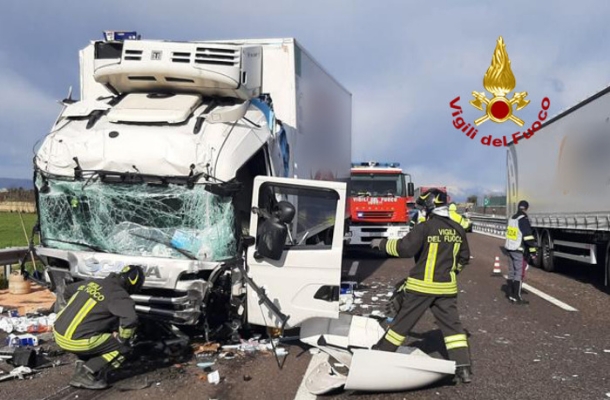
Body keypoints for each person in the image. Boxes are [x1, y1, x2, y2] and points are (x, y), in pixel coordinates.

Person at [370, 188, 473, 384]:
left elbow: (404, 248)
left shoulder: (425, 227)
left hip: (422, 287)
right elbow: (463, 259)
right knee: (453, 329)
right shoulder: (458, 229)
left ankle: (378, 356)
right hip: (446, 289)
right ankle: (463, 368)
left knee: (401, 325)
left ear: (429, 207)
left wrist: (381, 244)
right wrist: (450, 273)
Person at [53, 265, 145, 389]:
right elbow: (130, 320)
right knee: (124, 346)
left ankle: (82, 366)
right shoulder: (119, 295)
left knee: (95, 334)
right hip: (76, 341)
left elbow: (67, 291)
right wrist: (123, 338)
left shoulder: (93, 283)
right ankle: (87, 374)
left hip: (58, 333)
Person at [504, 200, 537, 305]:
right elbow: (528, 237)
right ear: (526, 208)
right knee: (518, 272)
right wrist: (533, 251)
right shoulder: (523, 219)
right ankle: (516, 296)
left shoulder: (512, 218)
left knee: (511, 272)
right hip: (517, 248)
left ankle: (510, 294)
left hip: (509, 248)